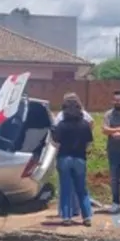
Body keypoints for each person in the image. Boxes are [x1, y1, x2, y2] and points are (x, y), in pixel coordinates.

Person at [51, 93, 94, 226]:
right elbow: (89, 143)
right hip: (80, 158)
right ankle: (86, 217)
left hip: (64, 157)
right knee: (82, 189)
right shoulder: (85, 125)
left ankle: (66, 217)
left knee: (66, 188)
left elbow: (55, 143)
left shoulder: (62, 125)